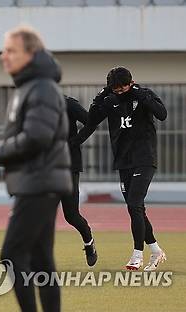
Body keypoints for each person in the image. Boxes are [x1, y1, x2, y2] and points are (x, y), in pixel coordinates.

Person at [0, 26, 70, 312]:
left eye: (10, 50)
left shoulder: (41, 87)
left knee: (11, 255)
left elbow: (37, 136)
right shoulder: (31, 86)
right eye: (4, 49)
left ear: (30, 54)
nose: (3, 55)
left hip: (39, 183)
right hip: (38, 182)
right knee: (41, 260)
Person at [73, 66, 167, 271]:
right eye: (115, 90)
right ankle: (156, 250)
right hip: (123, 161)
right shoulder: (110, 100)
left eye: (123, 89)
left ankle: (137, 254)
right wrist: (100, 97)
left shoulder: (143, 95)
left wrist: (142, 95)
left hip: (144, 158)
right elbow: (91, 121)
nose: (120, 92)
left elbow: (162, 114)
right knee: (136, 209)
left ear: (130, 83)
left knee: (134, 204)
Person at [61, 95, 97, 267]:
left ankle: (89, 242)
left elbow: (91, 121)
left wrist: (75, 142)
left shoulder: (68, 104)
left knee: (71, 216)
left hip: (69, 166)